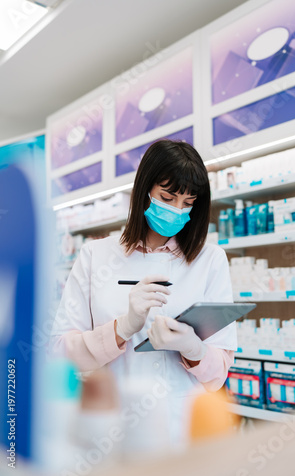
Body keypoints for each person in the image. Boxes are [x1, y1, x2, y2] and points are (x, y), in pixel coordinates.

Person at [50, 140, 237, 446]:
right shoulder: (95, 255)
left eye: (188, 203)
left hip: (184, 432)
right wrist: (121, 329)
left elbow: (218, 376)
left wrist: (194, 348)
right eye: (168, 197)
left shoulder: (210, 260)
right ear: (143, 190)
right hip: (111, 431)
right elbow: (60, 353)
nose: (178, 210)